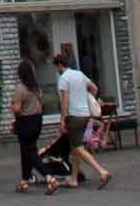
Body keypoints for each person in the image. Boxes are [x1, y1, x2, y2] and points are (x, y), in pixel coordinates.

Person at [43, 42, 111, 192]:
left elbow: (65, 100)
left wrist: (62, 120)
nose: (56, 70)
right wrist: (86, 100)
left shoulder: (64, 78)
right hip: (85, 115)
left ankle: (102, 172)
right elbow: (94, 88)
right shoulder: (79, 74)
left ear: (60, 65)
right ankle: (73, 178)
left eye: (56, 67)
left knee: (77, 148)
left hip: (73, 117)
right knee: (75, 148)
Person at [10, 59, 48, 193]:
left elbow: (17, 109)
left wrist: (12, 105)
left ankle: (49, 177)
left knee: (30, 152)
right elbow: (41, 104)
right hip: (37, 121)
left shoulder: (21, 88)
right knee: (26, 150)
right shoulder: (37, 88)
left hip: (25, 122)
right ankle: (24, 180)